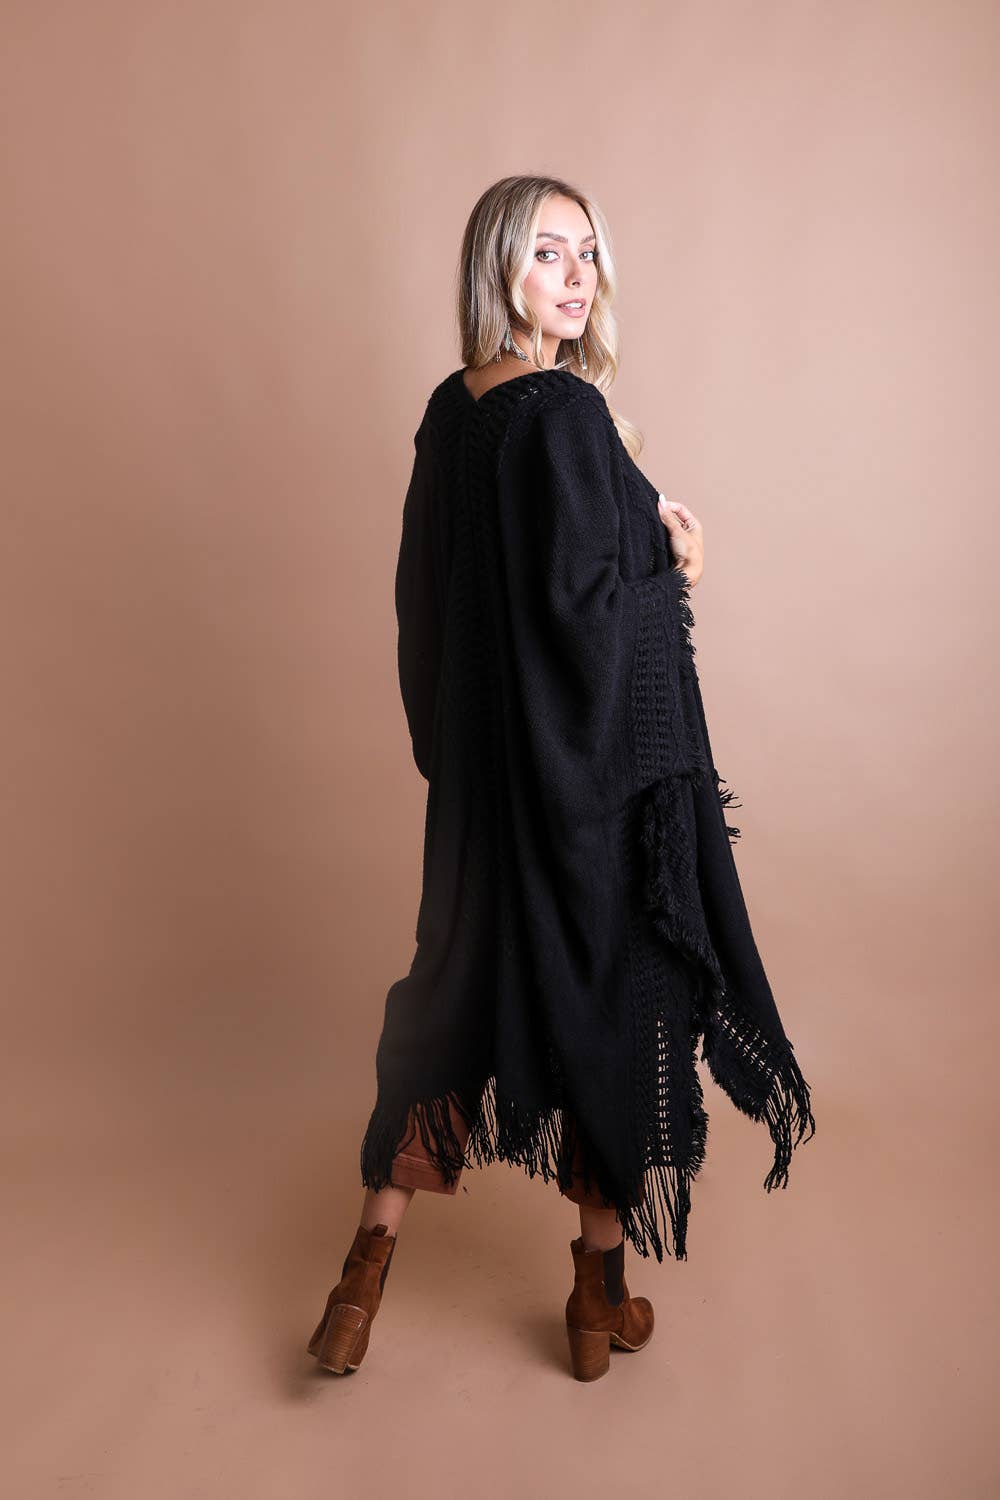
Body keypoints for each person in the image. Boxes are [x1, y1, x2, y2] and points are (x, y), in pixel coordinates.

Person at [306, 175, 816, 1382]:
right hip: (583, 796)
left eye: (587, 252)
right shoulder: (568, 415)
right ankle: (598, 1304)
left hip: (482, 801)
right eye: (546, 252)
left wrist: (456, 762)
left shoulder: (455, 411)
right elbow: (589, 621)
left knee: (443, 1012)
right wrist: (676, 566)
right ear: (499, 269)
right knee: (612, 1010)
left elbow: (423, 604)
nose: (577, 274)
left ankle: (358, 1284)